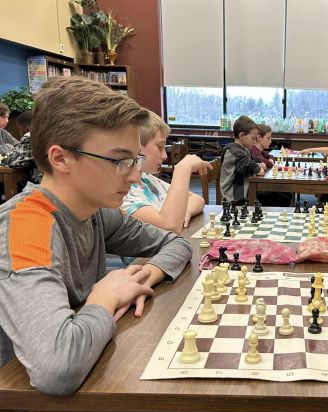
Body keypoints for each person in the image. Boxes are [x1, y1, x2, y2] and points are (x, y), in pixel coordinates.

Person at [0, 76, 192, 395]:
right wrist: (106, 296)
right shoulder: (25, 225)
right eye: (118, 161)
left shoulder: (93, 210)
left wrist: (145, 275)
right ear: (61, 158)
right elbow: (56, 367)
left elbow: (176, 242)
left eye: (135, 160)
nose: (133, 176)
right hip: (25, 410)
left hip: (90, 376)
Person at [121, 111, 212, 233]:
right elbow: (168, 226)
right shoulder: (122, 192)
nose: (164, 156)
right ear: (136, 146)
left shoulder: (147, 179)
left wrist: (183, 213)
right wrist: (183, 168)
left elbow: (197, 200)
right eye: (159, 147)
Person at [220, 115, 266, 205]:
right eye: (253, 138)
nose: (255, 142)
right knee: (278, 199)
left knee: (281, 196)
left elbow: (257, 161)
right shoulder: (234, 152)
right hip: (234, 200)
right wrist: (259, 166)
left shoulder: (244, 150)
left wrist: (259, 164)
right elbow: (258, 170)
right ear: (242, 135)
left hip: (244, 194)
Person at [4, 110, 42, 184]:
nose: (19, 133)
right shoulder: (51, 135)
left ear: (26, 129)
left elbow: (12, 162)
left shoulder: (31, 139)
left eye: (19, 130)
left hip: (43, 187)